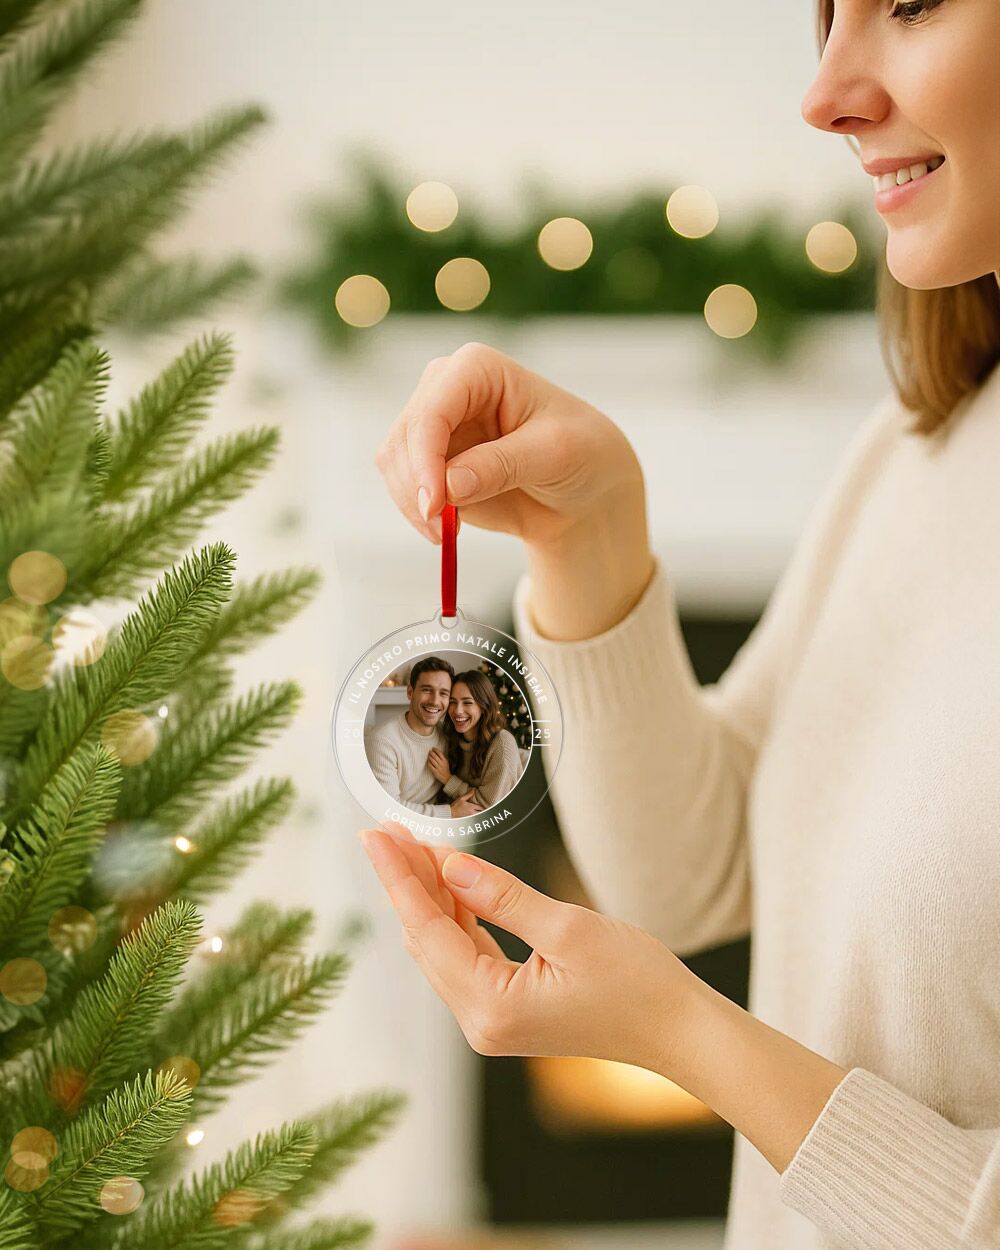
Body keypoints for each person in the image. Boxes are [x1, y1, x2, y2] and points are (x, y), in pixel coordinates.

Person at [358, 1, 1000, 1247]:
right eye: (829, 13)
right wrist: (589, 533)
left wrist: (685, 1035)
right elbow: (685, 873)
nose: (825, 95)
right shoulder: (923, 443)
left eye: (912, 2)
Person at [364, 656, 482, 819]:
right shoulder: (383, 740)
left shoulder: (449, 734)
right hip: (396, 828)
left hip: (438, 825)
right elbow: (387, 808)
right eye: (427, 690)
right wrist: (450, 812)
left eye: (443, 693)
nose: (435, 701)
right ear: (410, 692)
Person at [426, 670, 523, 811]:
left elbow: (488, 806)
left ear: (483, 707)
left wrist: (448, 779)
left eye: (467, 702)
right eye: (453, 702)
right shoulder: (451, 736)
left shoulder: (502, 743)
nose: (457, 711)